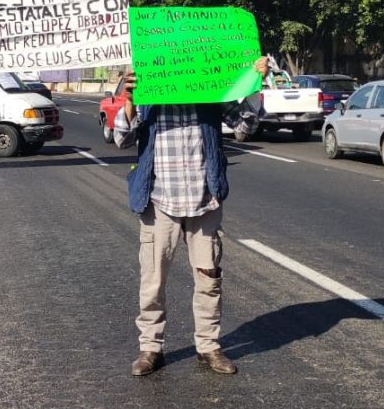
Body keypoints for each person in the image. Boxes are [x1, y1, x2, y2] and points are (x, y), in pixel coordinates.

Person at [115, 57, 269, 377]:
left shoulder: (210, 91)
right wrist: (129, 101)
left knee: (209, 278)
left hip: (205, 202)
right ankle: (150, 348)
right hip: (159, 203)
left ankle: (208, 346)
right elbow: (122, 139)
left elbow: (244, 128)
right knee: (153, 282)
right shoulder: (147, 88)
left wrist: (255, 84)